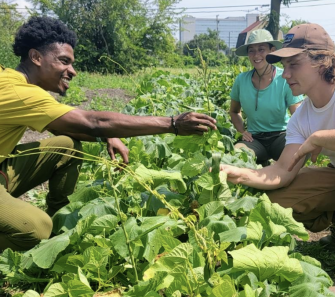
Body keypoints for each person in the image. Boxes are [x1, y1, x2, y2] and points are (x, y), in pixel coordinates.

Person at [0, 16, 216, 252]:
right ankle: (40, 239)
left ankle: (59, 227)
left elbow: (62, 124)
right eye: (64, 61)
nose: (72, 71)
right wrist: (173, 123)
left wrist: (106, 135)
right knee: (36, 228)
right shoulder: (19, 91)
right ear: (36, 57)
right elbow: (92, 122)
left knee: (66, 146)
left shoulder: (14, 83)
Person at [220, 23, 335, 296]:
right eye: (284, 66)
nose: (285, 75)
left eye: (293, 65)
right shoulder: (301, 116)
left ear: (322, 61)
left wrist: (320, 138)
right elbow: (282, 170)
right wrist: (232, 173)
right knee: (279, 199)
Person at [230, 29, 303, 164]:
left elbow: (297, 113)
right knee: (237, 156)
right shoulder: (241, 80)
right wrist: (241, 131)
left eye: (261, 49)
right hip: (254, 139)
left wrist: (302, 136)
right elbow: (234, 111)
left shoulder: (284, 78)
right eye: (251, 50)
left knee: (297, 156)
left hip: (281, 136)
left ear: (272, 50)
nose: (256, 55)